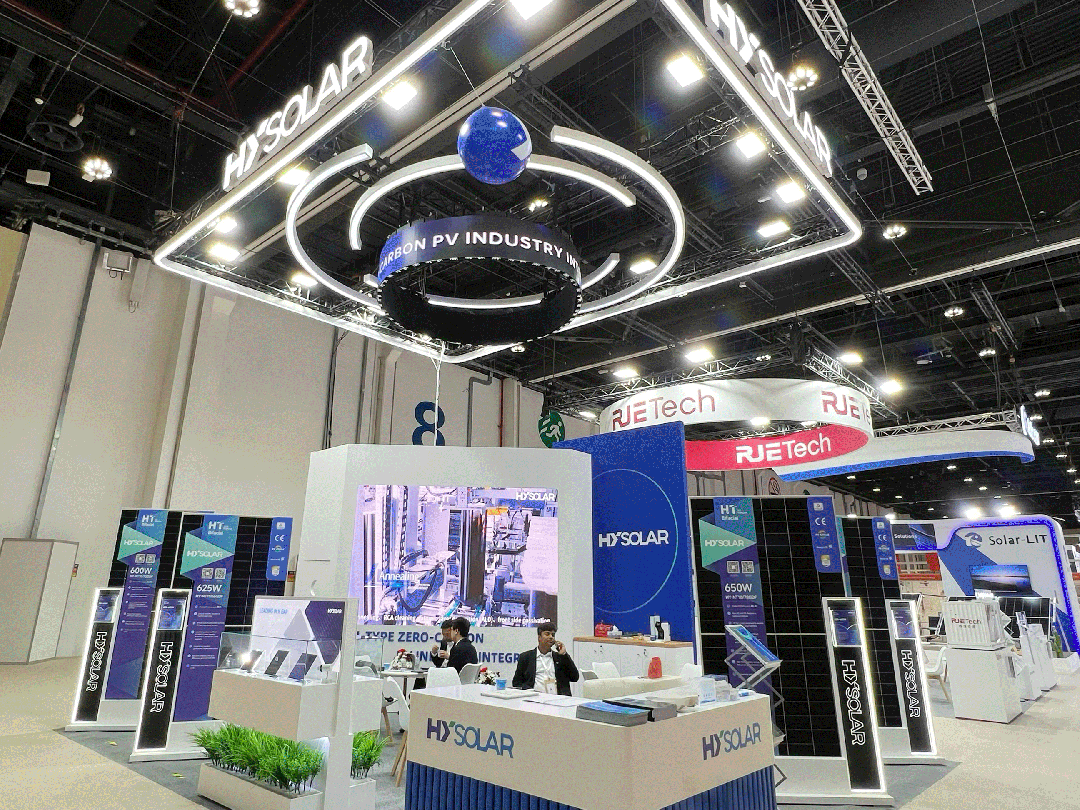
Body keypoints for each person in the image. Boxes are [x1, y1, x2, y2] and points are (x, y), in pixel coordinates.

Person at [513, 622, 579, 696]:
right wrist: (528, 691)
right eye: (547, 634)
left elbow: (575, 677)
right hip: (534, 699)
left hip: (558, 699)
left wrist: (564, 654)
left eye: (553, 635)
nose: (551, 637)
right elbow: (516, 683)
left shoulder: (560, 657)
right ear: (539, 637)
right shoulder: (526, 657)